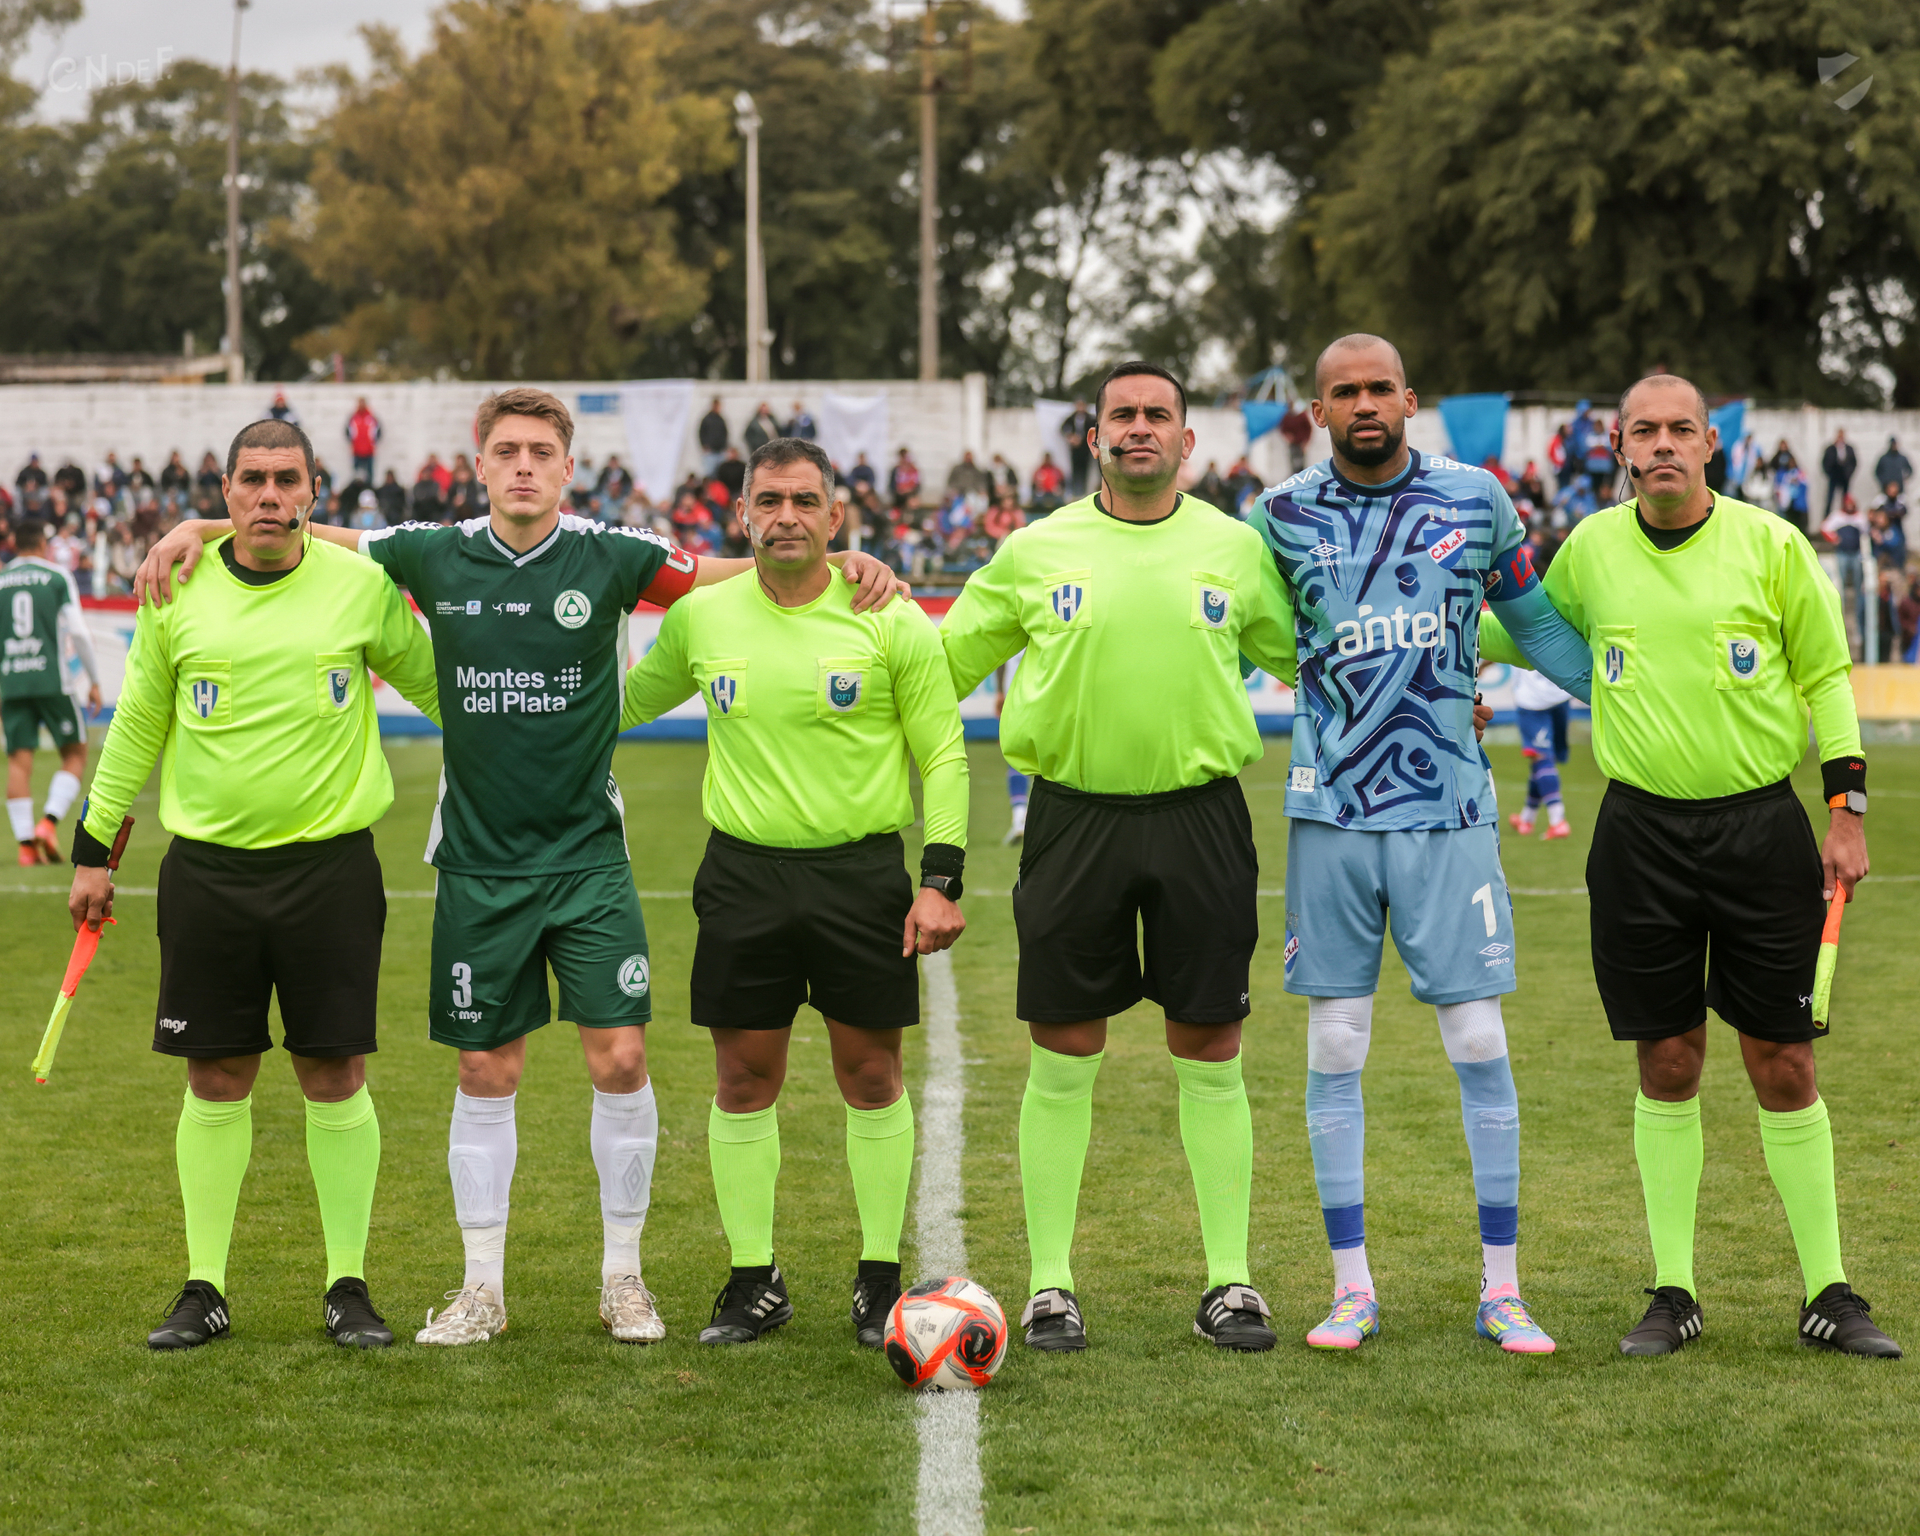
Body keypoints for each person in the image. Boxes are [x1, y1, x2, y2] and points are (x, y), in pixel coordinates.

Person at [136, 388, 909, 1351]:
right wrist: (201, 526)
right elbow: (309, 527)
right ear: (481, 465)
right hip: (478, 864)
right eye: (507, 451)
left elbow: (729, 571)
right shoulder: (431, 551)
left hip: (589, 860)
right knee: (483, 1067)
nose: (525, 467)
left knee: (621, 1060)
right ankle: (480, 1291)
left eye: (542, 451)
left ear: (568, 467)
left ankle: (624, 1279)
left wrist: (843, 561)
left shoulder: (613, 553)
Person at [1483, 372, 1900, 1358]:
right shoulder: (1591, 548)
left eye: (1681, 429)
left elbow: (1826, 676)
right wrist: (1432, 623)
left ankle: (1829, 1293)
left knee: (1784, 1061)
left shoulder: (1772, 544)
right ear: (1620, 448)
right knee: (1667, 1061)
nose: (1662, 444)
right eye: (1645, 431)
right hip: (1641, 837)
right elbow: (1528, 632)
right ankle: (1675, 1292)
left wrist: (1846, 812)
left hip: (1762, 832)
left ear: (1711, 443)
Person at [940, 361, 1298, 1355]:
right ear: (1093, 437)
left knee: (1211, 1048)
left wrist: (1442, 684)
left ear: (1188, 439)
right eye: (1122, 415)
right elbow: (940, 663)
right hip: (1072, 822)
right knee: (1063, 1052)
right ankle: (1050, 1286)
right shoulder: (1035, 549)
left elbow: (1313, 661)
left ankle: (1230, 1282)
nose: (1140, 427)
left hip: (1202, 818)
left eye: (1158, 414)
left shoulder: (1236, 547)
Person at [72, 418, 441, 1351]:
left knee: (334, 1071)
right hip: (208, 875)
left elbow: (443, 691)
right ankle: (204, 1287)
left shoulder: (360, 587)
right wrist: (91, 849)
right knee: (216, 1073)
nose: (269, 495)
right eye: (252, 480)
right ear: (226, 491)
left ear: (315, 492)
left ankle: (348, 1286)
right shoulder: (177, 588)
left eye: (286, 480)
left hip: (331, 870)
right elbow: (136, 724)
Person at [1256, 333, 1591, 1358]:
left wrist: (1630, 698)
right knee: (1335, 1045)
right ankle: (1350, 1289)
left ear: (1410, 399)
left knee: (1479, 1040)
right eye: (1343, 392)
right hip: (1330, 815)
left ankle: (1504, 1290)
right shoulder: (1275, 517)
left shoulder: (1477, 499)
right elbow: (1238, 637)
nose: (1363, 404)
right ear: (1318, 410)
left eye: (1379, 389)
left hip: (1449, 810)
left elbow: (1536, 626)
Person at [620, 437, 967, 1348]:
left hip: (861, 878)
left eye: (805, 501)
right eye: (768, 501)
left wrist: (940, 880)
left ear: (835, 516)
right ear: (742, 515)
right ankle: (752, 1279)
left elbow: (943, 752)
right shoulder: (702, 618)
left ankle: (879, 1279)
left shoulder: (888, 616)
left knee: (872, 1076)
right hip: (743, 877)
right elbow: (620, 705)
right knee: (743, 1079)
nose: (786, 517)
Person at [2, 519, 102, 865]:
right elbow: (79, 632)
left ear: (14, 545)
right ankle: (47, 823)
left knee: (19, 762)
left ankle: (25, 847)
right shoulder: (56, 577)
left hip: (11, 683)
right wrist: (94, 681)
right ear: (43, 545)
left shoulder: (1, 581)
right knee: (75, 753)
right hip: (52, 681)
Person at [1508, 668, 1572, 838]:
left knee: (1541, 757)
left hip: (1534, 699)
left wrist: (1483, 666)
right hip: (1561, 693)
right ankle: (1527, 818)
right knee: (1542, 759)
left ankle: (1558, 821)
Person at [1821, 494, 1871, 655]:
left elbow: (1866, 533)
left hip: (1856, 554)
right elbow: (1825, 527)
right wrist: (1834, 539)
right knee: (1840, 584)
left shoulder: (1859, 518)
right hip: (1842, 553)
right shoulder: (1837, 516)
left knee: (1858, 585)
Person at [1060, 399, 1094, 497]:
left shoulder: (1090, 419)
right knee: (1075, 470)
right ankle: (1075, 492)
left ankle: (1083, 491)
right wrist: (1070, 437)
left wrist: (1082, 439)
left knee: (1085, 471)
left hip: (1086, 450)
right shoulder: (1071, 418)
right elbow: (1063, 428)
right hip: (1075, 450)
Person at [1821, 430, 1857, 518]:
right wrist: (1829, 473)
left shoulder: (1849, 448)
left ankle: (1845, 515)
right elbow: (1825, 462)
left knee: (1845, 497)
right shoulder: (1830, 449)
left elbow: (1854, 462)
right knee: (1830, 498)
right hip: (1834, 475)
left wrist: (1849, 473)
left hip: (1845, 476)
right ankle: (1827, 517)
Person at [345, 398, 382, 482]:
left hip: (369, 452)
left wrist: (373, 443)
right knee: (356, 476)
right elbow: (347, 432)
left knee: (370, 476)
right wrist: (353, 443)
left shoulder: (372, 418)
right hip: (356, 452)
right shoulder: (353, 418)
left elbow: (379, 431)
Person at [698, 398, 729, 476]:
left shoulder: (721, 419)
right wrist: (704, 445)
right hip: (710, 451)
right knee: (709, 473)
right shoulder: (706, 419)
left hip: (720, 451)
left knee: (720, 473)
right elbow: (701, 433)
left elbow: (725, 433)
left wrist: (724, 446)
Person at [888, 447, 921, 513]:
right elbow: (891, 485)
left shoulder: (913, 470)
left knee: (913, 502)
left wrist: (909, 490)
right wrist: (898, 491)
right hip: (898, 496)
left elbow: (917, 485)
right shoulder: (896, 470)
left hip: (910, 495)